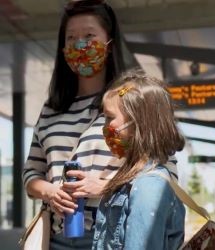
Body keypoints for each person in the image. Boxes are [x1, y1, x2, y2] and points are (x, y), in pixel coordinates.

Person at [22, 1, 137, 249]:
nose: (80, 44)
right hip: (56, 239)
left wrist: (105, 186)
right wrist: (50, 192)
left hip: (114, 238)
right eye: (71, 38)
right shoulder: (51, 110)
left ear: (110, 44)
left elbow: (162, 172)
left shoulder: (132, 101)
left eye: (89, 35)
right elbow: (31, 173)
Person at [92, 71, 186, 250]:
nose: (104, 127)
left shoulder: (149, 185)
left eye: (109, 118)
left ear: (138, 123)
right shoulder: (134, 177)